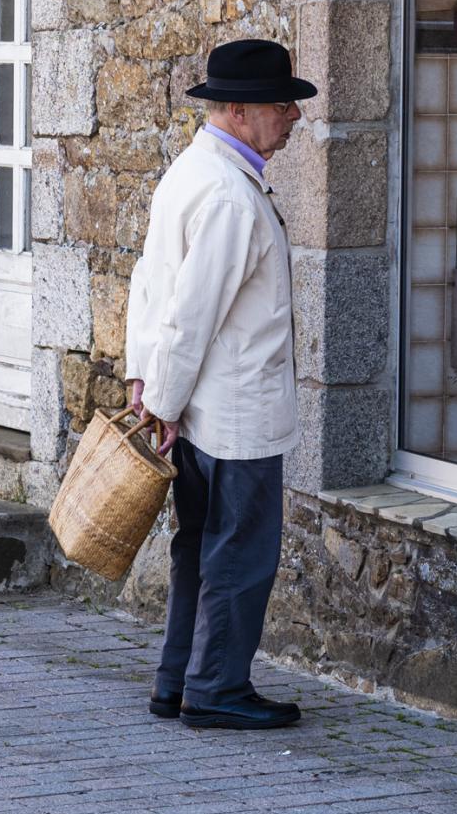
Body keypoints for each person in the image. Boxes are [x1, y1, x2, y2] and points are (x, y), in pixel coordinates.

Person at [123, 39, 315, 732]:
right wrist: (162, 401)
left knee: (198, 545)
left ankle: (179, 680)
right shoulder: (231, 194)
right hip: (233, 413)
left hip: (203, 408)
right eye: (280, 104)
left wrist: (149, 386)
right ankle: (216, 688)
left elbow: (149, 288)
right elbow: (189, 312)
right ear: (238, 110)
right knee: (240, 552)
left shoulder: (192, 170)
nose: (293, 115)